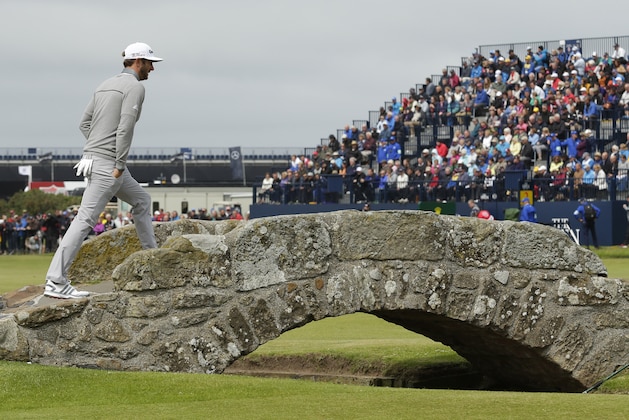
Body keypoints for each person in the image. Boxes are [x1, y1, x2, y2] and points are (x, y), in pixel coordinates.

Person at [43, 42, 163, 299]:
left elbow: (84, 123)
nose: (152, 68)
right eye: (150, 62)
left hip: (95, 159)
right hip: (110, 164)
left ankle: (152, 259)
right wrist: (118, 162)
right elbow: (126, 126)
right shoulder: (135, 87)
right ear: (138, 61)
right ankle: (55, 281)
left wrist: (97, 147)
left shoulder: (104, 84)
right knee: (84, 219)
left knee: (142, 200)